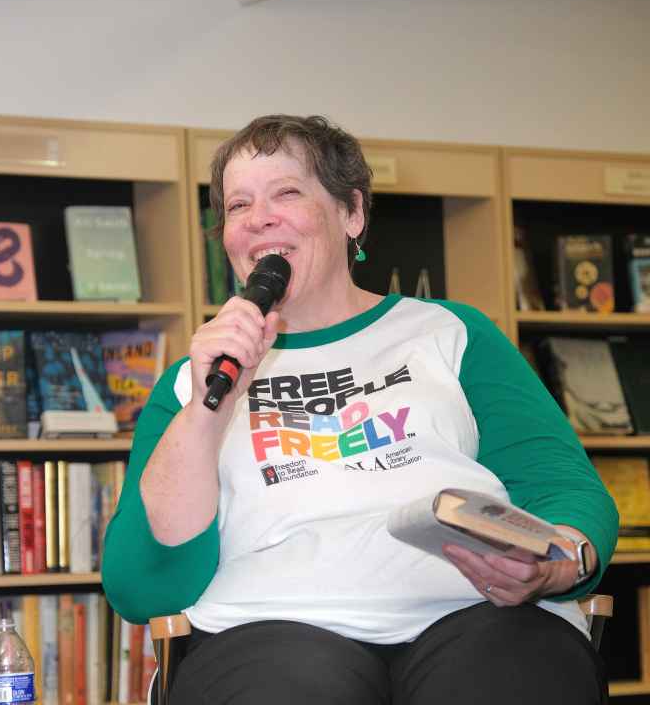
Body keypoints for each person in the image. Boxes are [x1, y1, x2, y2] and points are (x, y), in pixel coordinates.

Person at [102, 115, 618, 704]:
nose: (258, 218)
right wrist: (205, 410)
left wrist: (560, 562)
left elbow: (563, 488)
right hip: (271, 631)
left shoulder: (451, 333)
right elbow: (143, 586)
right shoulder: (196, 378)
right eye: (238, 205)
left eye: (287, 193)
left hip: (478, 611)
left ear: (352, 213)